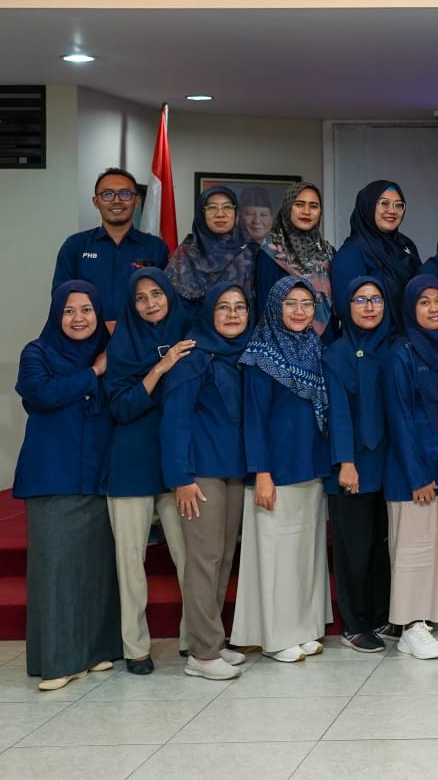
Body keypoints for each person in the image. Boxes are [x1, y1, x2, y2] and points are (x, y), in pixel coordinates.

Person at [14, 281, 122, 690]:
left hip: (97, 475)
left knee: (95, 570)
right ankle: (59, 661)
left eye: (87, 310)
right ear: (56, 314)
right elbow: (42, 394)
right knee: (56, 571)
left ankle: (94, 652)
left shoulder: (112, 351)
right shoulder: (37, 353)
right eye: (69, 311)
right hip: (52, 477)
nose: (79, 318)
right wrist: (94, 371)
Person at [232, 277, 333, 663]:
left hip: (310, 467)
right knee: (275, 558)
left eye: (307, 304)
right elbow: (254, 420)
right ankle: (275, 637)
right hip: (275, 472)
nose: (299, 311)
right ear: (275, 306)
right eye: (290, 303)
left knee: (304, 556)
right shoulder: (259, 355)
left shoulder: (315, 348)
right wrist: (261, 472)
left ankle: (303, 628)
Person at [160, 281, 253, 681]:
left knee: (223, 559)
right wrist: (180, 477)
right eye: (223, 308)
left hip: (234, 471)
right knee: (203, 561)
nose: (233, 315)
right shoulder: (193, 357)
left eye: (240, 307)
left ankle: (211, 641)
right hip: (200, 474)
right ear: (209, 313)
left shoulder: (245, 354)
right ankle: (202, 652)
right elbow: (174, 420)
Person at [103, 268, 194, 674]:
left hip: (176, 466)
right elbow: (121, 407)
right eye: (141, 298)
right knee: (131, 564)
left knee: (190, 558)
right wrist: (160, 367)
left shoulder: (188, 333)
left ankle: (195, 637)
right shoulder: (122, 346)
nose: (151, 302)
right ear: (131, 305)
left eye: (157, 293)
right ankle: (135, 647)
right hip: (130, 466)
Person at [382, 275, 438, 661]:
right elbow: (399, 418)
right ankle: (411, 625)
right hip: (413, 467)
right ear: (410, 309)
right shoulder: (399, 354)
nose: (434, 308)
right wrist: (417, 474)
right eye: (424, 302)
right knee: (415, 549)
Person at [323, 277, 395, 653]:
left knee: (383, 544)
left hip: (390, 464)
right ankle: (355, 623)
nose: (369, 306)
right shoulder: (335, 354)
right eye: (360, 300)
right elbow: (337, 414)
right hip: (353, 465)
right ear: (346, 308)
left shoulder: (397, 347)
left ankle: (382, 615)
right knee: (355, 548)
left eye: (376, 299)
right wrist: (346, 462)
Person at [52, 167, 170, 330]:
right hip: (88, 339)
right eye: (107, 194)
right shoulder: (75, 246)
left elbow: (167, 299)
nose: (116, 201)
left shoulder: (156, 247)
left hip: (141, 340)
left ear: (137, 201)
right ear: (95, 201)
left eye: (125, 194)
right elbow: (61, 298)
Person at [330, 180, 422, 332]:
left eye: (398, 205)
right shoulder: (351, 253)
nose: (392, 210)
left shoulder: (406, 246)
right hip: (371, 346)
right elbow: (345, 310)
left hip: (409, 342)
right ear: (369, 206)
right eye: (384, 203)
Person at [255, 182, 335, 338]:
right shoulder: (271, 253)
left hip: (327, 345)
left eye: (313, 206)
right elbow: (265, 312)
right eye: (299, 204)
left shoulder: (329, 253)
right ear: (287, 208)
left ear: (320, 212)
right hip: (285, 347)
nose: (306, 211)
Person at [166, 185, 255, 311]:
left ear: (236, 213)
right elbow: (171, 302)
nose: (220, 214)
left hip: (242, 327)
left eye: (227, 207)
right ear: (201, 214)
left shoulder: (251, 251)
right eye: (212, 208)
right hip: (191, 328)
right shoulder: (185, 252)